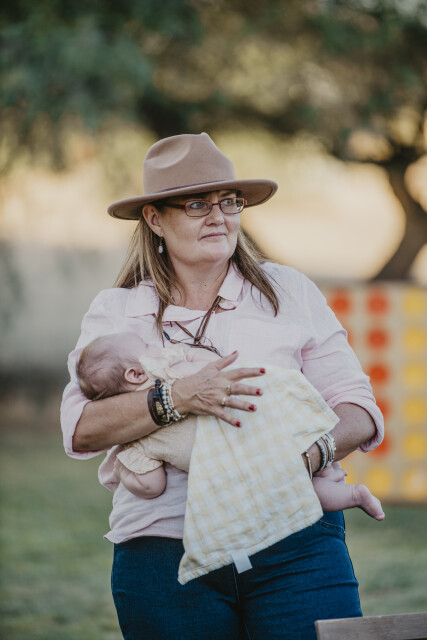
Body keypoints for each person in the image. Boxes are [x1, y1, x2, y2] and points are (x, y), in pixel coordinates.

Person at [61, 132, 385, 640]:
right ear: (154, 218)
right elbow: (82, 429)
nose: (219, 217)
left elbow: (358, 408)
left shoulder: (288, 291)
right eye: (197, 205)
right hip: (164, 555)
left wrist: (302, 460)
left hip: (295, 540)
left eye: (229, 202)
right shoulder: (117, 311)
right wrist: (176, 398)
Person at [77, 330, 384, 524]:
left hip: (240, 465)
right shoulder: (164, 366)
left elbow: (151, 485)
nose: (153, 345)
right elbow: (207, 360)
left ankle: (352, 494)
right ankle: (345, 489)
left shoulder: (137, 442)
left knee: (297, 487)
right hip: (261, 431)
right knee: (293, 481)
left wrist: (125, 470)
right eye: (145, 345)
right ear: (134, 373)